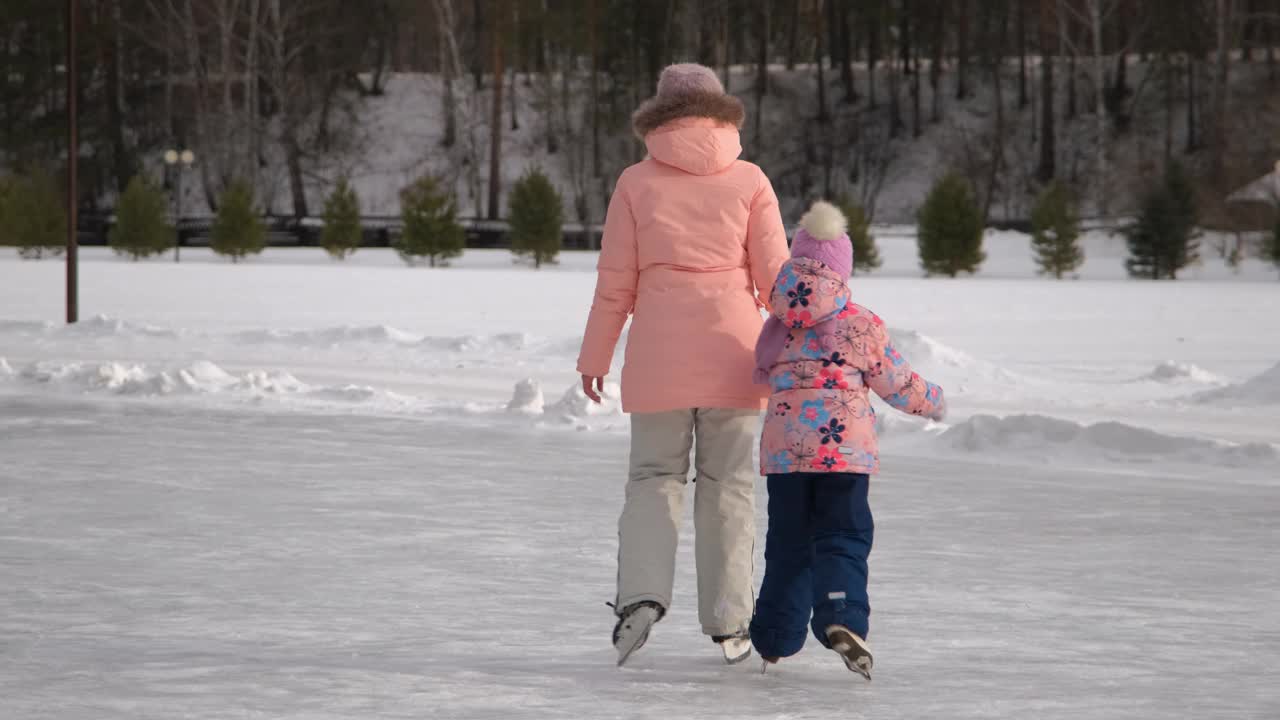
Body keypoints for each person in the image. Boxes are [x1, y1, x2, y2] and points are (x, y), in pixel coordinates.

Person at [577, 63, 790, 666]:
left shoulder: (634, 182)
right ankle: (729, 621)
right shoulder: (750, 179)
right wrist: (813, 335)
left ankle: (641, 598)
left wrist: (594, 356)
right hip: (734, 356)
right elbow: (776, 279)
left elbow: (614, 283)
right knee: (730, 486)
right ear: (720, 111)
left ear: (661, 113)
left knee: (654, 478)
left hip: (658, 358)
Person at [748, 200, 947, 680]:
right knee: (842, 534)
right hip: (844, 454)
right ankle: (841, 615)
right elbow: (895, 381)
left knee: (788, 542)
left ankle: (775, 636)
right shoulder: (860, 322)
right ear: (841, 270)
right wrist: (934, 401)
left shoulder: (775, 324)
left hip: (784, 455)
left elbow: (758, 379)